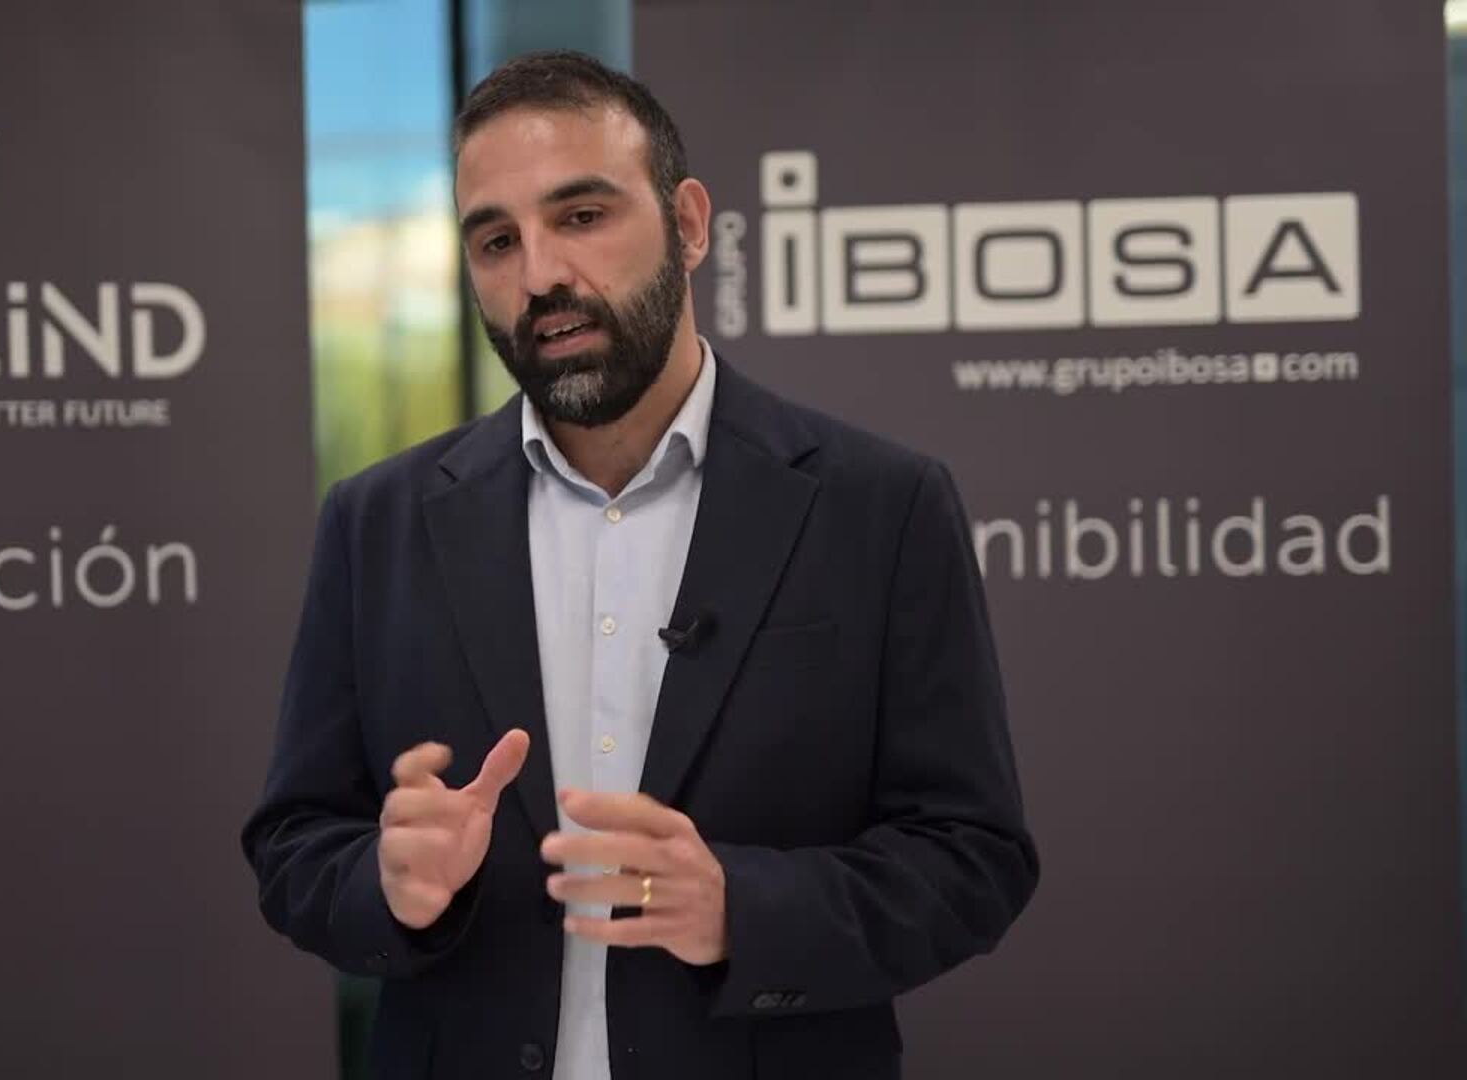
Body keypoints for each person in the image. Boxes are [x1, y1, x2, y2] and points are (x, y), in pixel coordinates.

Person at [242, 50, 1038, 1080]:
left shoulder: (881, 506)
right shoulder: (377, 523)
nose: (540, 276)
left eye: (581, 216)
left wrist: (741, 910)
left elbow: (974, 858)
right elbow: (295, 846)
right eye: (496, 240)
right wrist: (390, 884)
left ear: (690, 223)